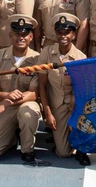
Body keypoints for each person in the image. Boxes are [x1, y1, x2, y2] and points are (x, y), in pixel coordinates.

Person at [0, 14, 42, 162]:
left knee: (28, 113)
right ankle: (12, 139)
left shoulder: (38, 59)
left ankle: (27, 150)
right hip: (4, 109)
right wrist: (5, 96)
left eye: (25, 34)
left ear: (31, 37)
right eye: (17, 34)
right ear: (10, 35)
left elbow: (34, 93)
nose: (21, 38)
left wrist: (6, 102)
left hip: (25, 104)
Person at [38, 13, 89, 165]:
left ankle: (81, 146)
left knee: (80, 127)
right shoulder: (46, 53)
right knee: (63, 153)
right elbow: (42, 84)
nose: (63, 36)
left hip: (75, 106)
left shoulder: (80, 58)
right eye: (59, 32)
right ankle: (61, 136)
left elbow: (81, 89)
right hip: (57, 106)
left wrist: (75, 104)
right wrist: (47, 113)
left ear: (74, 34)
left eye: (67, 32)